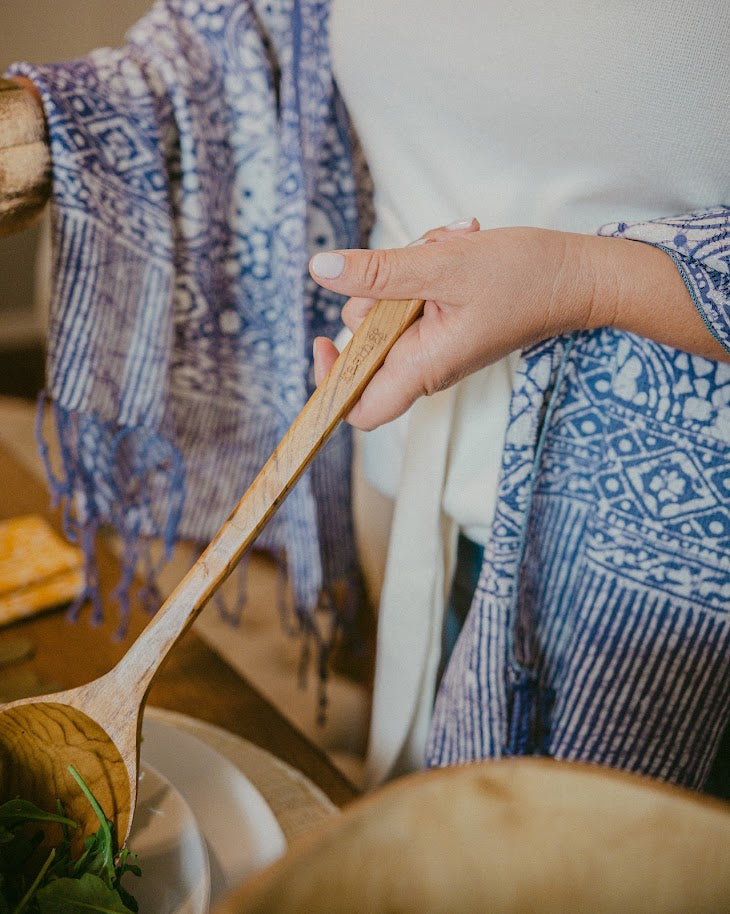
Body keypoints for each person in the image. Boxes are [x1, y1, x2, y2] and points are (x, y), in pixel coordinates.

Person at [6, 1, 729, 793]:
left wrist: (584, 282)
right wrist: (41, 121)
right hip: (425, 471)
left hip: (679, 560)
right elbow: (259, 30)